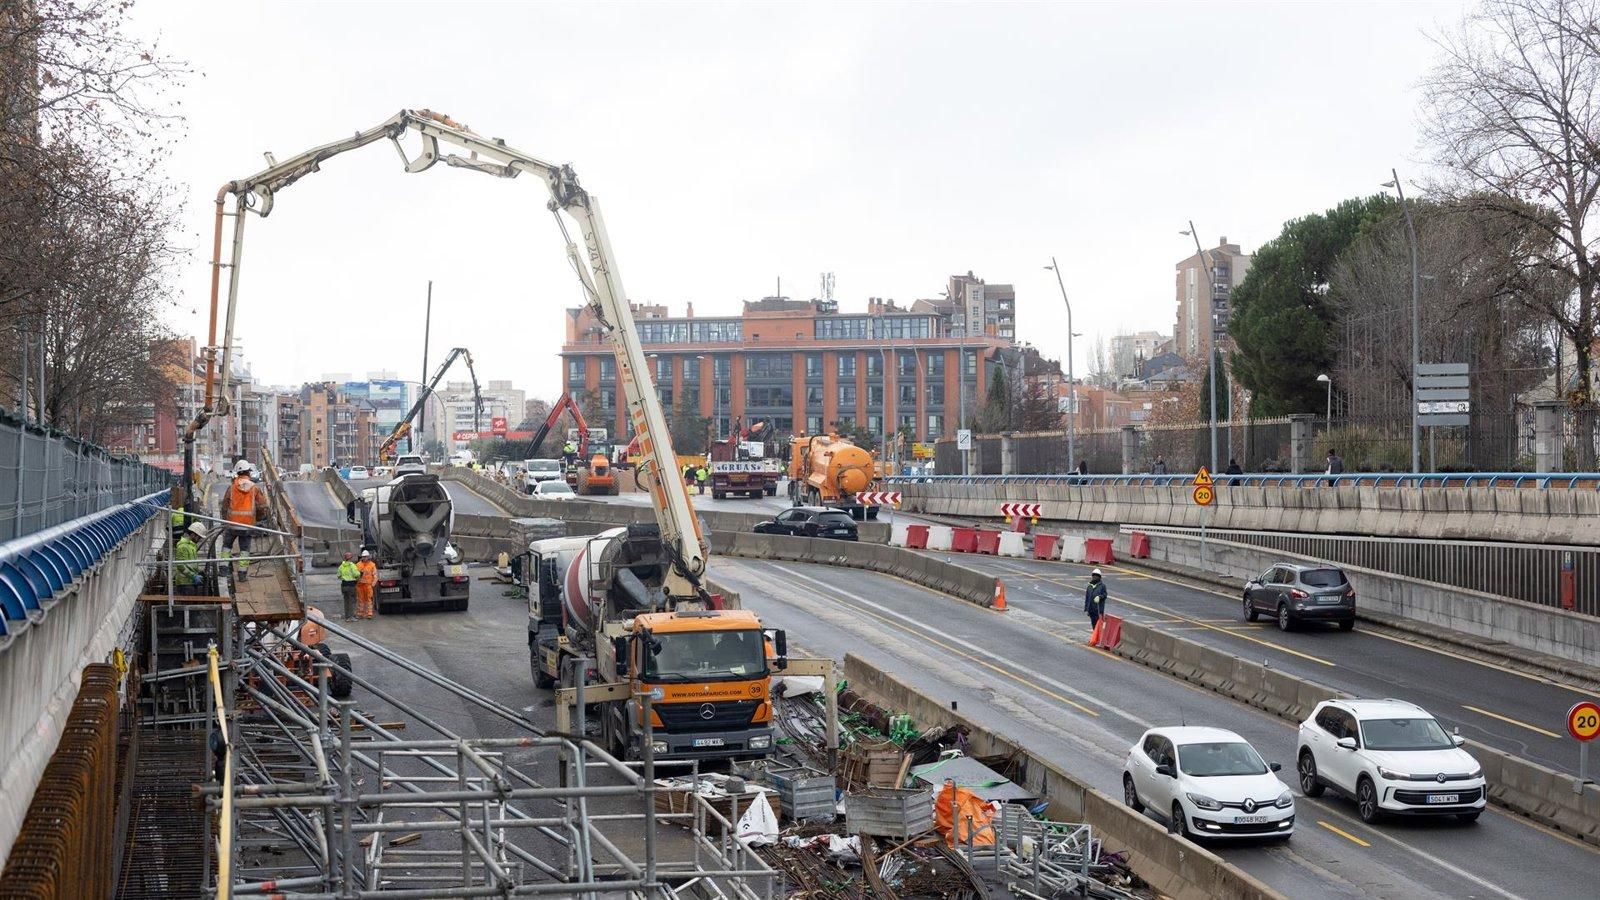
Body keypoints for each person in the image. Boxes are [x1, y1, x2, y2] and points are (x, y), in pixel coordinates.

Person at [223, 459, 260, 579]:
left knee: (226, 546)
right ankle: (242, 575)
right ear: (248, 473)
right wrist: (256, 519)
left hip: (232, 524)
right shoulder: (254, 488)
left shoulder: (232, 488)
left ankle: (223, 570)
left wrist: (225, 520)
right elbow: (263, 506)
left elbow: (224, 505)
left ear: (237, 473)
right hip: (247, 525)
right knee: (244, 550)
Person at [174, 522, 204, 594]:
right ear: (193, 534)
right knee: (187, 605)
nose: (199, 539)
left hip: (190, 582)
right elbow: (180, 565)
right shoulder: (183, 546)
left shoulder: (192, 546)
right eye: (199, 537)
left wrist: (200, 571)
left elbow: (191, 564)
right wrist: (193, 576)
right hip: (184, 583)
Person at [338, 551, 361, 621]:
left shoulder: (341, 566)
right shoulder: (352, 565)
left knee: (346, 600)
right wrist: (359, 573)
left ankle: (347, 617)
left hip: (344, 585)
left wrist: (344, 577)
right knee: (352, 601)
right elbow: (356, 574)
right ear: (350, 558)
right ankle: (352, 617)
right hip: (351, 585)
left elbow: (338, 575)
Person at [355, 549, 378, 619]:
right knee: (360, 600)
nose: (365, 558)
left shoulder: (372, 565)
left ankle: (369, 613)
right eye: (363, 557)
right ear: (361, 557)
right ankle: (360, 613)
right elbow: (355, 575)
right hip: (360, 585)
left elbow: (375, 575)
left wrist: (373, 584)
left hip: (368, 585)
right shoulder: (358, 565)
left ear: (368, 557)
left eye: (366, 556)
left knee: (369, 600)